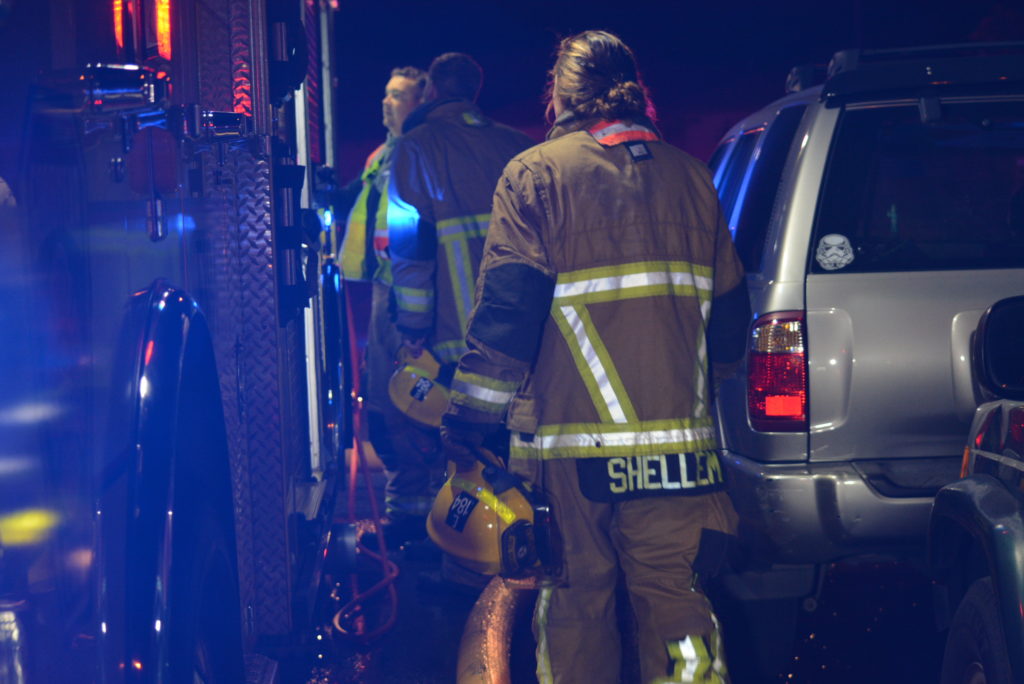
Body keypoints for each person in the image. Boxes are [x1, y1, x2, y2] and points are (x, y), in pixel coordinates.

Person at [440, 31, 751, 684]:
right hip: (678, 456)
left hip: (570, 454)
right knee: (677, 602)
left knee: (575, 607)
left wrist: (469, 418)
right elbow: (728, 326)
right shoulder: (693, 178)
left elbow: (508, 315)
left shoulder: (536, 176)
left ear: (560, 95)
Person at [384, 53, 533, 537]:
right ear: (474, 91)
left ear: (431, 92)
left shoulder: (414, 148)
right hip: (524, 335)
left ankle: (471, 554)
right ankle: (524, 543)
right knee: (518, 452)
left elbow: (410, 249)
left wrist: (412, 327)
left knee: (465, 452)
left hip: (457, 339)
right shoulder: (518, 146)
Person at [337, 66, 432, 539]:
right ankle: (405, 508)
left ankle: (420, 514)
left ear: (419, 103)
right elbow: (360, 204)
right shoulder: (383, 155)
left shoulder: (421, 153)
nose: (386, 102)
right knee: (384, 403)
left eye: (397, 96)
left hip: (409, 297)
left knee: (410, 403)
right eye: (386, 94)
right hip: (384, 292)